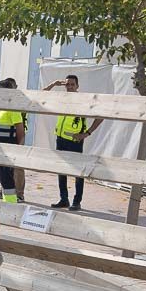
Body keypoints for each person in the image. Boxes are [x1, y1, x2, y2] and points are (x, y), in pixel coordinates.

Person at [48, 74, 100, 212]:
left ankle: (77, 201)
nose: (69, 87)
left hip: (75, 141)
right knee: (61, 170)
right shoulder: (62, 99)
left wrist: (87, 133)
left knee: (78, 172)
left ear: (77, 86)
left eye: (72, 84)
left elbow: (101, 116)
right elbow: (41, 96)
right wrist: (53, 84)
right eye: (67, 84)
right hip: (60, 139)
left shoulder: (84, 101)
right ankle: (64, 199)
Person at [0, 78, 26, 204]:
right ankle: (8, 200)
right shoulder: (2, 108)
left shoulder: (14, 109)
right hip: (1, 149)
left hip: (10, 149)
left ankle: (12, 201)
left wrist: (18, 150)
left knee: (9, 177)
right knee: (3, 176)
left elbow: (21, 132)